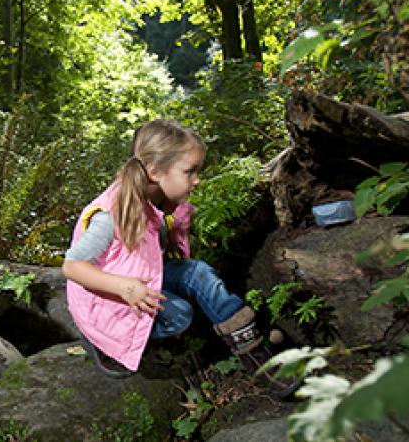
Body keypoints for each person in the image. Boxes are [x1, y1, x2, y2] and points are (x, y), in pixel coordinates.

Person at [62, 119, 292, 391]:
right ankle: (107, 342)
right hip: (109, 298)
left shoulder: (155, 199)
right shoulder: (111, 215)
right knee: (180, 314)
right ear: (155, 171)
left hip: (141, 277)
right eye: (190, 172)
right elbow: (72, 267)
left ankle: (252, 350)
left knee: (198, 272)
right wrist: (124, 288)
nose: (196, 180)